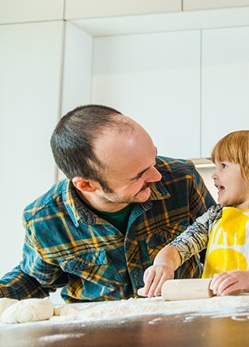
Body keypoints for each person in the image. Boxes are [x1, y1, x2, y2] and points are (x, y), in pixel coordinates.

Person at [0, 105, 216, 302]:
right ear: (86, 185)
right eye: (138, 175)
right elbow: (34, 280)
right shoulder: (45, 218)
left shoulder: (182, 179)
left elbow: (219, 244)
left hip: (179, 324)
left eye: (154, 158)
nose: (157, 175)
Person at [141, 130, 249, 296]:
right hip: (218, 317)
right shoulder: (215, 216)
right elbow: (178, 247)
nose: (214, 175)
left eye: (223, 166)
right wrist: (163, 264)